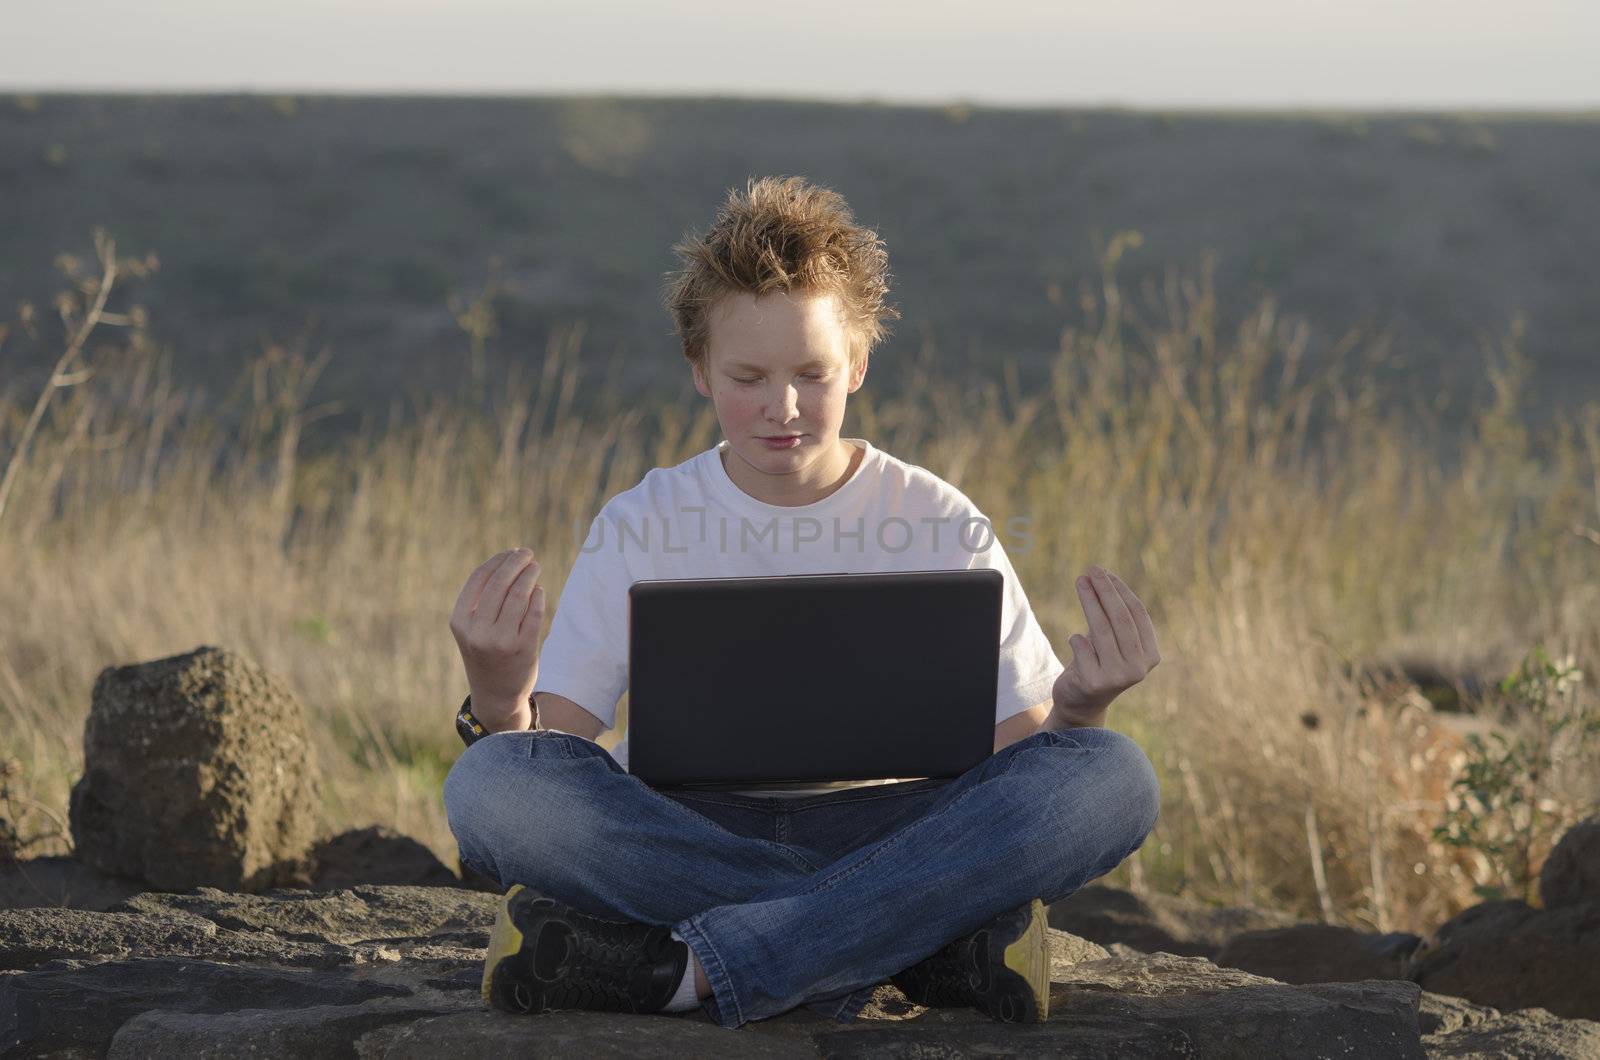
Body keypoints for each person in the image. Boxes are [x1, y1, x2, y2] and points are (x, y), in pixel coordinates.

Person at [442, 175, 1162, 1030]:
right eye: (748, 376)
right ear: (699, 371)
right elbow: (552, 755)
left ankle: (693, 971)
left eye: (812, 374)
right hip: (680, 831)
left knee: (1112, 777)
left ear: (857, 364)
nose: (782, 407)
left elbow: (1022, 768)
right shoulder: (644, 519)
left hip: (895, 827)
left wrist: (1080, 707)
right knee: (489, 784)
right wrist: (496, 693)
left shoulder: (936, 515)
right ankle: (919, 946)